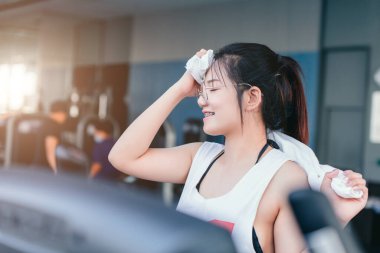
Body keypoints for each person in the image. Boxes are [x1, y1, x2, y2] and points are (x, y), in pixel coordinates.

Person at [109, 43, 368, 253]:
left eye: (213, 88)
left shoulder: (286, 177)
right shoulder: (198, 156)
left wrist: (337, 215)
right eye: (201, 89)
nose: (201, 99)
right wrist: (179, 88)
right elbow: (122, 157)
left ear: (252, 97)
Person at [42, 100, 68, 173]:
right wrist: (55, 171)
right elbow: (50, 151)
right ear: (60, 113)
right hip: (46, 170)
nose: (65, 118)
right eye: (65, 114)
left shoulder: (45, 123)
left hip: (40, 168)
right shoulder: (53, 126)